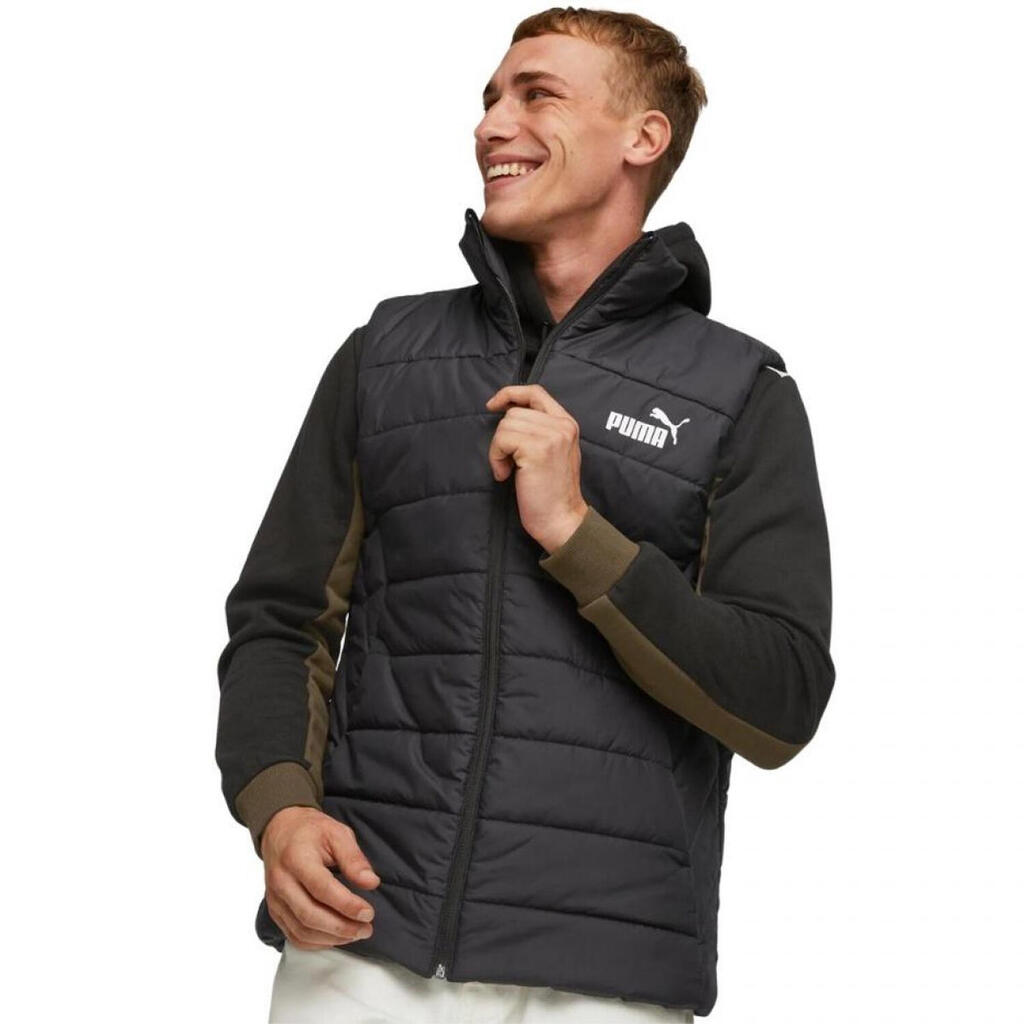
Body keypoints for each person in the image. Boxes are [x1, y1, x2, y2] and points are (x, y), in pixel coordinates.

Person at [215, 8, 835, 1022]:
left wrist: (579, 535)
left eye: (537, 95)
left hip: (608, 974)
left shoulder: (738, 394)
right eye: (491, 99)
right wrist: (279, 807)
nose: (492, 124)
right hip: (364, 941)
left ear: (644, 136)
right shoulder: (386, 355)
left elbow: (779, 703)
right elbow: (282, 621)